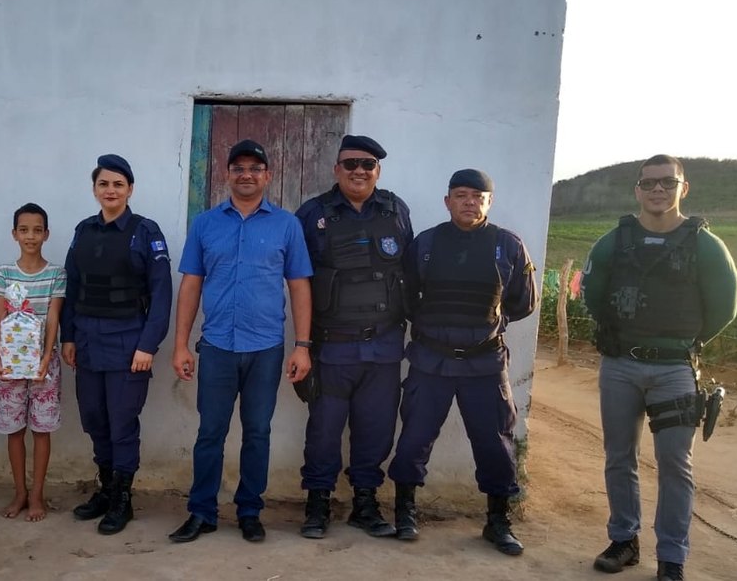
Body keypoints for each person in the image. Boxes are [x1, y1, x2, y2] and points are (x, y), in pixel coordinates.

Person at [581, 155, 737, 581]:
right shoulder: (613, 241)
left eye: (667, 183)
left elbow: (724, 307)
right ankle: (624, 540)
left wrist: (681, 342)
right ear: (636, 190)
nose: (657, 190)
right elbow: (593, 294)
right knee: (619, 457)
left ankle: (672, 556)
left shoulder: (705, 245)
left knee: (674, 463)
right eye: (649, 183)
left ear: (683, 189)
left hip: (674, 370)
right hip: (619, 365)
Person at [169, 139, 314, 544]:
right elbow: (191, 286)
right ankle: (202, 512)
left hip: (266, 348)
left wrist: (302, 345)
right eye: (239, 168)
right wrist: (180, 344)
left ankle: (250, 510)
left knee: (258, 432)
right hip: (216, 347)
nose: (246, 174)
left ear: (267, 176)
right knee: (210, 433)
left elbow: (300, 286)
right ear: (227, 174)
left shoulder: (286, 225)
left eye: (255, 168)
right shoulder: (205, 224)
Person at [386, 168, 537, 556]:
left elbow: (523, 302)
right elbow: (407, 298)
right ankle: (404, 511)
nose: (470, 202)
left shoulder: (508, 246)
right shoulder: (426, 244)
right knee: (415, 439)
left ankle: (497, 521)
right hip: (430, 361)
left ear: (489, 202)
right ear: (447, 201)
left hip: (484, 365)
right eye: (461, 195)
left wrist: (485, 326)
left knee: (494, 443)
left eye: (478, 196)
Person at [293, 135, 413, 539]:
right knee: (324, 430)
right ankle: (318, 505)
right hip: (333, 345)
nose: (359, 171)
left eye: (368, 164)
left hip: (383, 344)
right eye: (350, 164)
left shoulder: (396, 210)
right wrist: (303, 344)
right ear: (336, 170)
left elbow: (407, 272)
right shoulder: (312, 214)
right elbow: (299, 282)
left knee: (376, 429)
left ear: (377, 170)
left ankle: (365, 503)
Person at [61, 154, 172, 535]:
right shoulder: (83, 229)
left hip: (128, 343)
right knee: (95, 420)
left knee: (122, 423)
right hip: (88, 341)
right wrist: (68, 336)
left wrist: (148, 345)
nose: (111, 190)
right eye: (104, 184)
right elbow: (72, 285)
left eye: (118, 184)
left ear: (130, 190)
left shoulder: (146, 231)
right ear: (95, 189)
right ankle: (106, 490)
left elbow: (161, 294)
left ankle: (123, 499)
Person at [0, 203, 67, 522]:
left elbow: (54, 318)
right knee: (14, 429)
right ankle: (19, 492)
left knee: (42, 429)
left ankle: (37, 495)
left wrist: (46, 358)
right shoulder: (2, 274)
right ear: (14, 234)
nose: (30, 236)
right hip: (11, 366)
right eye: (24, 230)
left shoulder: (55, 274)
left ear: (46, 234)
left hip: (45, 366)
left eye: (37, 230)